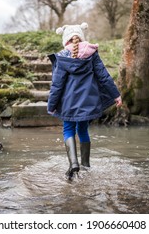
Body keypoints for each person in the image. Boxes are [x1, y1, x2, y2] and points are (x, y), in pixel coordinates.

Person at [47, 22, 122, 180]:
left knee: (68, 130)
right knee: (82, 130)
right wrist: (116, 95)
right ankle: (86, 165)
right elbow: (103, 76)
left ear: (65, 40)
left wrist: (51, 105)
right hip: (88, 102)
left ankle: (73, 163)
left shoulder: (61, 57)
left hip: (68, 104)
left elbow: (57, 85)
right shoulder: (92, 53)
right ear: (81, 37)